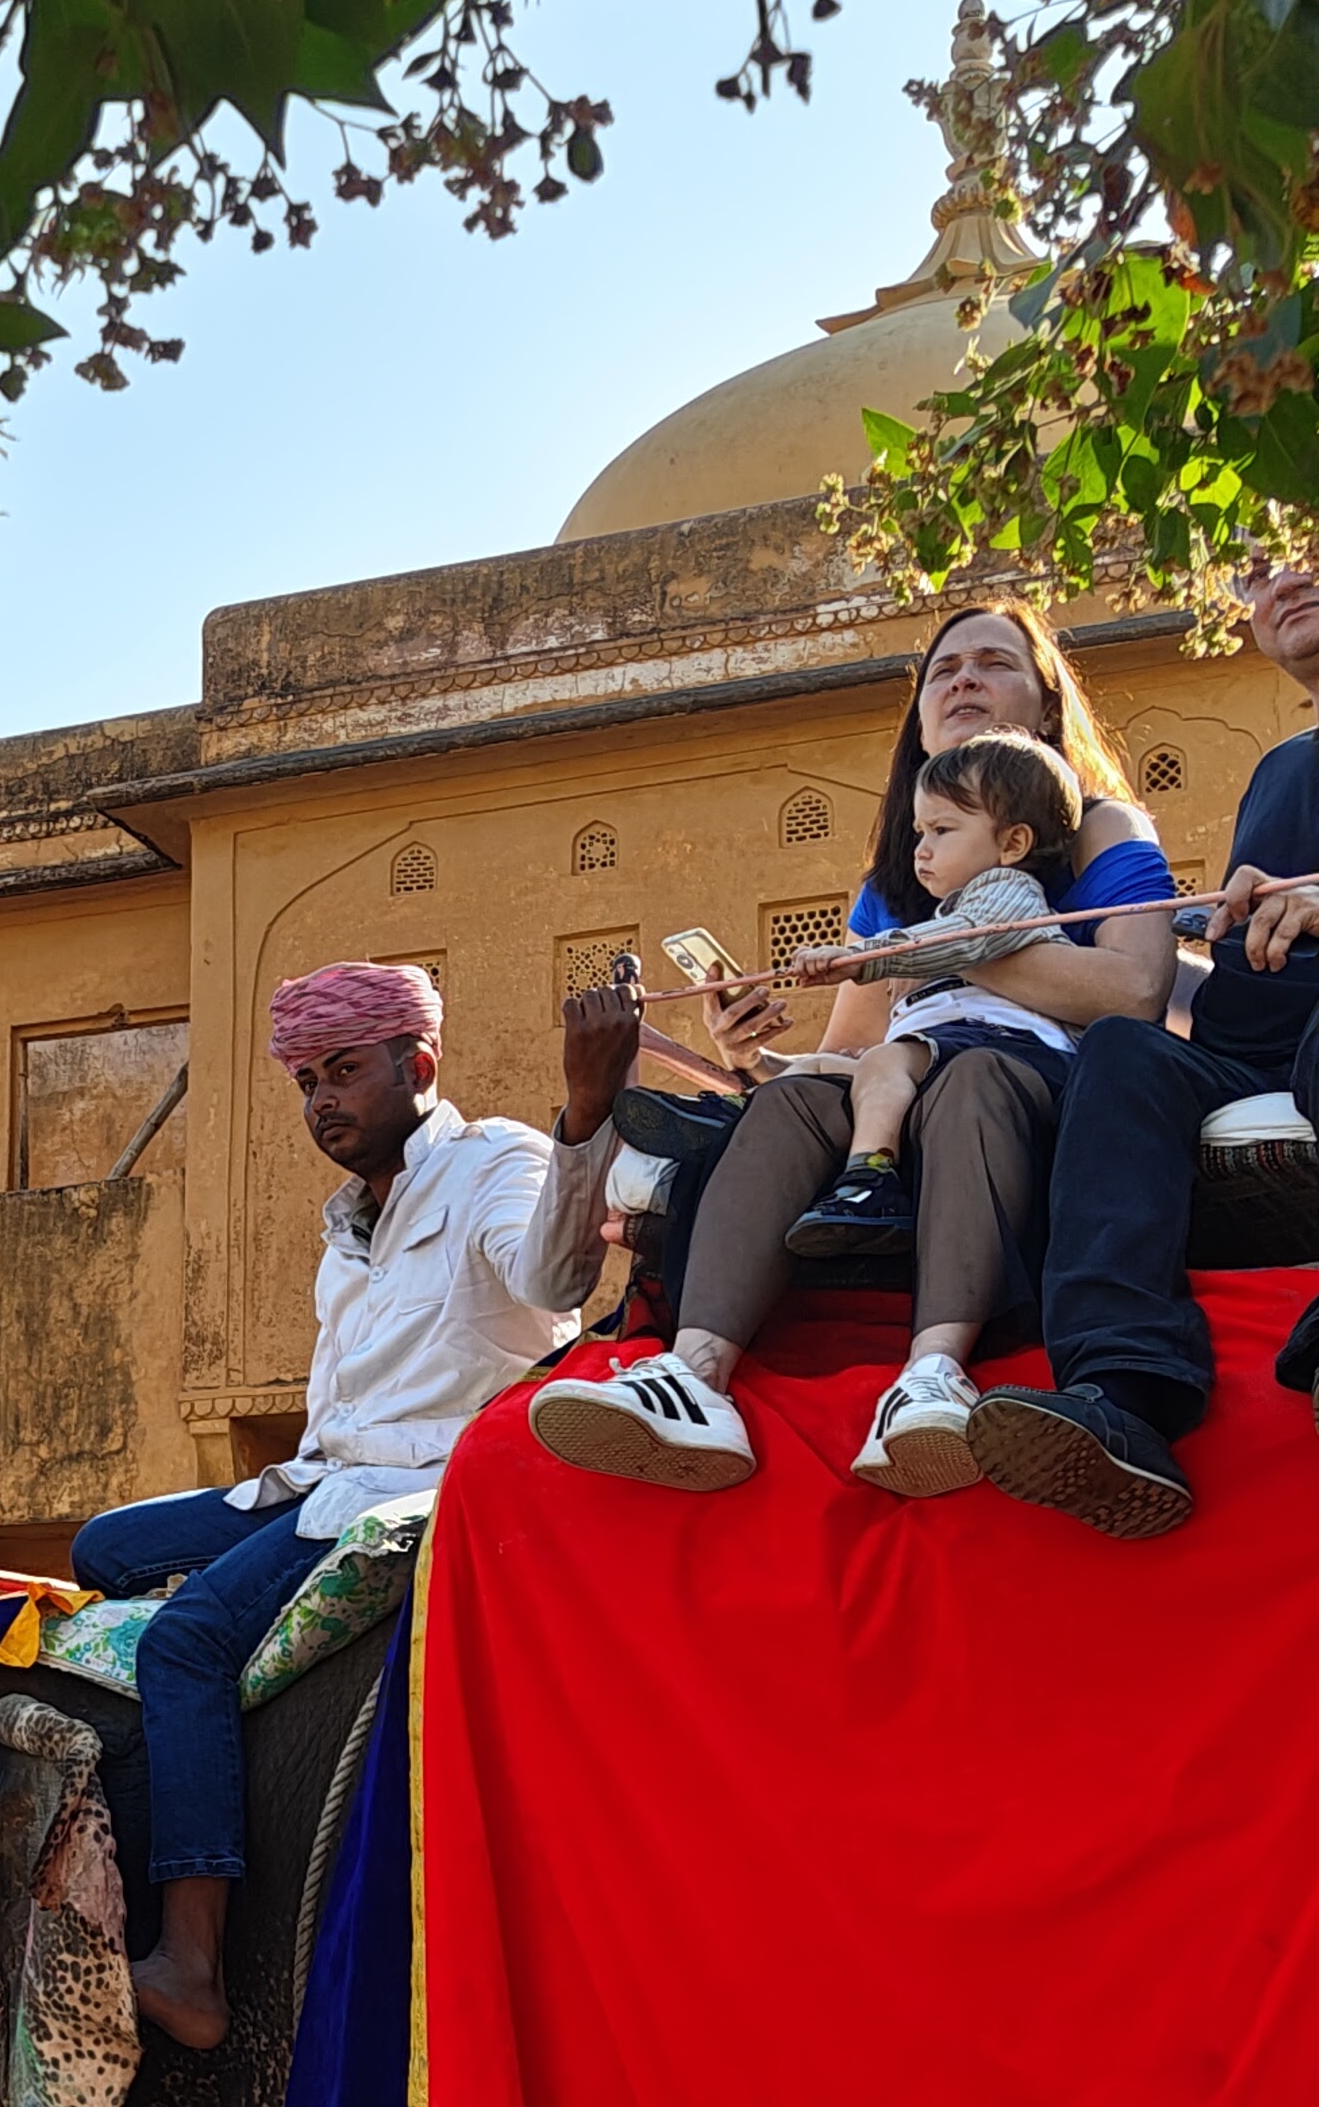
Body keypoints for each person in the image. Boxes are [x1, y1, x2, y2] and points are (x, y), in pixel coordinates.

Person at [521, 600, 1178, 1500]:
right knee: (792, 1101)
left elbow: (1134, 993)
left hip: (1037, 1093)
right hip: (904, 1093)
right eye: (943, 671)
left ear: (1046, 704)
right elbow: (857, 1058)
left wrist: (927, 952)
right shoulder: (906, 879)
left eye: (994, 664)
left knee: (970, 1078)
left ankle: (935, 1375)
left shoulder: (1101, 830)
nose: (964, 682)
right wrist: (750, 1055)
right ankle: (694, 1375)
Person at [70, 959, 610, 2052]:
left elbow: (555, 1282)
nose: (322, 1100)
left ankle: (192, 1958)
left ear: (418, 1064)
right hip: (319, 1480)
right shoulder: (350, 1220)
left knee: (184, 1647)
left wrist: (588, 1113)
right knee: (104, 1549)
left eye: (345, 1072)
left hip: (417, 1485)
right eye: (307, 1079)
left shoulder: (496, 1161)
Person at [961, 559, 1319, 1538]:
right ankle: (1125, 1397)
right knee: (1123, 1053)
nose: (1284, 580)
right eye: (1255, 570)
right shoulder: (1286, 768)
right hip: (1251, 1054)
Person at [780, 730, 1088, 1249]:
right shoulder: (952, 909)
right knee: (812, 1071)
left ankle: (869, 1179)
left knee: (883, 1060)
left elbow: (964, 941)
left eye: (941, 830)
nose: (921, 851)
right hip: (947, 1050)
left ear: (1013, 843)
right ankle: (732, 1112)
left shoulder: (1009, 892)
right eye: (920, 832)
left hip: (1005, 1048)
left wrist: (864, 958)